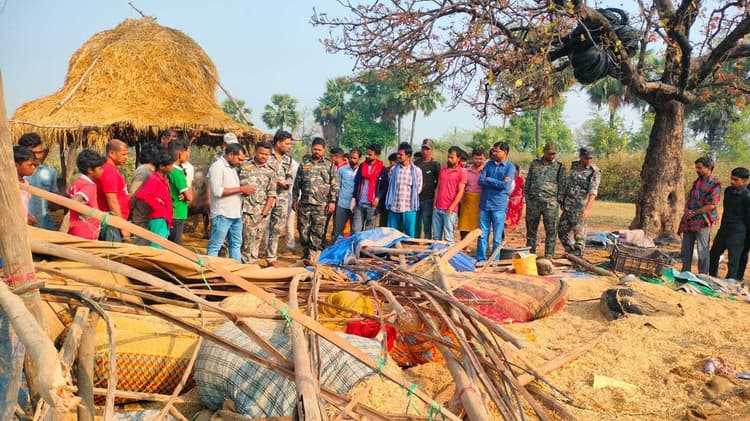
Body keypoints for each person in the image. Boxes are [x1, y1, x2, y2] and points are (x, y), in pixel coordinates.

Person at [292, 137, 339, 261]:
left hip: (321, 204)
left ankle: (312, 255)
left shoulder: (329, 165)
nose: (317, 151)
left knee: (317, 231)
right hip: (305, 203)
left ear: (323, 150)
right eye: (315, 149)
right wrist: (294, 199)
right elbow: (297, 184)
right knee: (303, 230)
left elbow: (334, 185)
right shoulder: (304, 164)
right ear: (311, 149)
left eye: (319, 149)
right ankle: (306, 253)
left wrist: (332, 201)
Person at [206, 143, 254, 262]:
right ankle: (209, 270)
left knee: (236, 245)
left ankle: (236, 269)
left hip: (236, 214)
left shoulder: (232, 168)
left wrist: (242, 192)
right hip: (222, 214)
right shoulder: (217, 167)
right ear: (231, 154)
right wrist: (241, 189)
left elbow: (231, 189)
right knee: (215, 246)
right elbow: (217, 191)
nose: (240, 162)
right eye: (239, 159)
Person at [678, 156, 721, 274]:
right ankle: (685, 272)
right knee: (686, 248)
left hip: (703, 220)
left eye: (700, 168)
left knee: (702, 250)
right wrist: (687, 211)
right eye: (696, 168)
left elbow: (711, 205)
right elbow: (690, 198)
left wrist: (694, 213)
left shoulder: (715, 183)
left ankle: (703, 275)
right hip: (689, 219)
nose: (697, 170)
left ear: (709, 168)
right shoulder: (697, 181)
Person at [558, 146, 602, 257]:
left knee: (579, 235)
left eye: (591, 158)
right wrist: (562, 201)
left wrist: (587, 209)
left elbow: (593, 192)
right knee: (561, 231)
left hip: (580, 208)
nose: (589, 160)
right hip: (568, 205)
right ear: (580, 156)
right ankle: (571, 252)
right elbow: (568, 184)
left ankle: (578, 256)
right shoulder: (574, 166)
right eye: (587, 158)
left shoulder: (594, 172)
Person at [524, 142, 566, 258]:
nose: (551, 156)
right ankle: (530, 255)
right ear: (544, 151)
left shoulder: (559, 167)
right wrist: (527, 199)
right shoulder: (535, 164)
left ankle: (549, 256)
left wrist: (558, 201)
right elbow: (528, 182)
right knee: (531, 231)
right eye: (549, 153)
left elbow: (562, 185)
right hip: (533, 203)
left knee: (551, 231)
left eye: (554, 154)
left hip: (550, 204)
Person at [239, 141, 277, 264]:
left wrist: (264, 213)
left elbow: (271, 194)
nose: (264, 156)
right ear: (255, 152)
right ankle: (242, 264)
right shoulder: (244, 164)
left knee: (256, 240)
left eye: (267, 154)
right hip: (243, 210)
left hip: (261, 212)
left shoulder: (271, 171)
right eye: (261, 153)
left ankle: (250, 264)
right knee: (245, 240)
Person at [709, 167, 750, 280]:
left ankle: (731, 281)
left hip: (738, 231)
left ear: (745, 181)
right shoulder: (728, 191)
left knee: (733, 259)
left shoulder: (747, 196)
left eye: (736, 180)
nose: (732, 182)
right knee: (713, 254)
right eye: (732, 179)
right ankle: (711, 277)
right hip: (724, 229)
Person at [476, 142, 514, 264]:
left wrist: (489, 179)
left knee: (497, 237)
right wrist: (498, 182)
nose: (494, 153)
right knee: (482, 235)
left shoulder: (510, 167)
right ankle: (481, 259)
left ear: (505, 152)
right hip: (485, 205)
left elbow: (506, 186)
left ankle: (495, 261)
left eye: (497, 151)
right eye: (493, 150)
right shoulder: (488, 164)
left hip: (499, 206)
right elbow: (480, 181)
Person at [265, 130, 294, 267]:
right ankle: (251, 255)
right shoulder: (265, 155)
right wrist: (275, 181)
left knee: (276, 229)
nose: (289, 146)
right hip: (265, 198)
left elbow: (289, 176)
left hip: (281, 198)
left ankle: (271, 257)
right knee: (259, 227)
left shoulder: (288, 160)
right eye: (287, 144)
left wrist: (287, 183)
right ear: (278, 143)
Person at [135, 149, 175, 248]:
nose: (172, 167)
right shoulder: (155, 179)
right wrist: (157, 203)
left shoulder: (163, 179)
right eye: (170, 165)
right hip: (159, 218)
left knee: (160, 245)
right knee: (157, 247)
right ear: (161, 166)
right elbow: (141, 194)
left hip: (163, 217)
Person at [18, 132, 59, 230]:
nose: (37, 156)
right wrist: (22, 215)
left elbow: (54, 204)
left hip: (45, 225)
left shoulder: (50, 172)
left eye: (40, 152)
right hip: (21, 226)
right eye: (33, 153)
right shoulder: (11, 175)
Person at [96, 139, 131, 242]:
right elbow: (112, 200)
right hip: (112, 222)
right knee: (113, 250)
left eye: (127, 154)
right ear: (111, 153)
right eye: (123, 154)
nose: (126, 157)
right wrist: (122, 225)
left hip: (114, 221)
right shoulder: (109, 171)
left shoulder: (111, 169)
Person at [385, 142, 423, 237]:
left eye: (401, 154)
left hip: (409, 207)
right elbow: (391, 186)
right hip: (394, 205)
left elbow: (418, 189)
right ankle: (393, 247)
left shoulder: (417, 171)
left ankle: (409, 248)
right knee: (391, 233)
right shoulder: (393, 170)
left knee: (409, 234)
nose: (398, 156)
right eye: (398, 154)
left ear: (408, 155)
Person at [68, 149, 106, 240]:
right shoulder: (89, 186)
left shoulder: (77, 181)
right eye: (100, 168)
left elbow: (68, 196)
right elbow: (75, 201)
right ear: (90, 170)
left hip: (75, 227)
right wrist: (85, 212)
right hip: (86, 231)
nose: (103, 171)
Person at [432, 146, 467, 244]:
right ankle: (436, 254)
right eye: (448, 157)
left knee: (448, 237)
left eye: (452, 157)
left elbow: (460, 192)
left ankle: (449, 254)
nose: (449, 159)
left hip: (450, 209)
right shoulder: (443, 170)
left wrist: (451, 207)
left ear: (458, 158)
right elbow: (438, 187)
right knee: (436, 237)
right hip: (438, 208)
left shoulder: (462, 172)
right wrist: (434, 204)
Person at [129, 142, 161, 245]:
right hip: (141, 218)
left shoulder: (151, 171)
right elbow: (133, 194)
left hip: (147, 216)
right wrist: (130, 213)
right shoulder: (143, 172)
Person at [352, 144, 389, 233]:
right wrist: (354, 198)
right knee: (356, 229)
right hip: (360, 203)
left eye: (370, 154)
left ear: (377, 155)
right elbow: (357, 182)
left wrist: (378, 197)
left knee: (369, 231)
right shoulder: (362, 166)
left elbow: (384, 186)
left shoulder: (382, 169)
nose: (367, 156)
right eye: (367, 154)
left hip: (372, 205)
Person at [167, 139, 193, 245]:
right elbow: (190, 197)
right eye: (186, 153)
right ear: (180, 154)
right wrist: (187, 193)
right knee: (175, 245)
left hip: (171, 212)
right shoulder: (177, 173)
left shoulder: (169, 170)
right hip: (177, 213)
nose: (187, 156)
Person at [414, 138, 441, 239]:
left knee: (427, 224)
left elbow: (439, 182)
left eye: (427, 149)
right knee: (416, 224)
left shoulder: (435, 165)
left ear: (431, 150)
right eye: (423, 148)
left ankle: (427, 243)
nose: (425, 151)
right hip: (416, 199)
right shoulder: (416, 163)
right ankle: (415, 242)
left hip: (428, 199)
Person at [333, 148, 361, 240]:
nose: (352, 160)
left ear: (359, 159)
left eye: (354, 158)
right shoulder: (342, 170)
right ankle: (337, 246)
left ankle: (352, 247)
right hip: (342, 204)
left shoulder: (361, 171)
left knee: (355, 230)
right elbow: (337, 186)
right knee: (338, 229)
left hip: (356, 206)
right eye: (350, 157)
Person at [458, 147, 485, 239]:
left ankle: (480, 246)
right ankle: (463, 245)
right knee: (464, 227)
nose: (478, 160)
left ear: (484, 158)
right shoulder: (465, 171)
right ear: (472, 158)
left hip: (481, 202)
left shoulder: (487, 171)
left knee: (480, 228)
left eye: (480, 158)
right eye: (476, 158)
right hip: (467, 202)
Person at [14, 146, 38, 225]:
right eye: (30, 165)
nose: (33, 167)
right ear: (16, 165)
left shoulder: (26, 184)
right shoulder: (7, 185)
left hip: (23, 226)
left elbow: (24, 205)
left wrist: (27, 215)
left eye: (34, 165)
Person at [505, 163, 525, 230]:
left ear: (518, 171)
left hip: (517, 199)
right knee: (509, 211)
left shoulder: (520, 179)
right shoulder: (507, 179)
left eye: (515, 170)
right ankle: (508, 223)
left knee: (516, 212)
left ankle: (514, 224)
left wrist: (522, 197)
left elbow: (523, 188)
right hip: (509, 199)